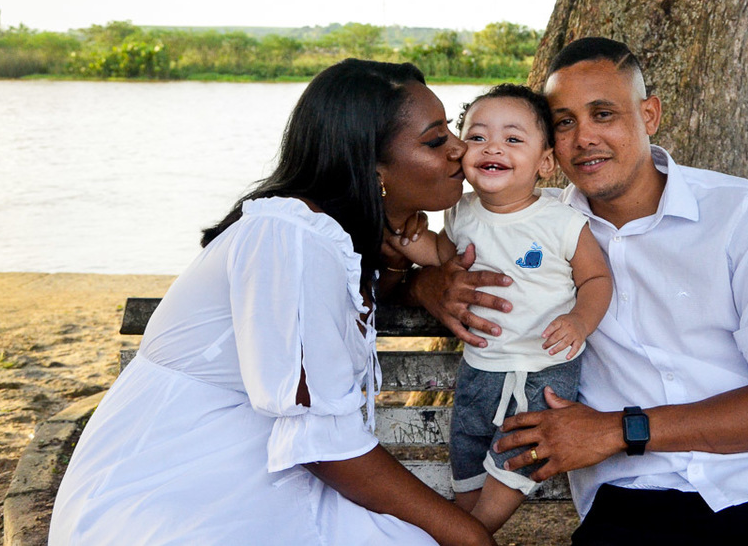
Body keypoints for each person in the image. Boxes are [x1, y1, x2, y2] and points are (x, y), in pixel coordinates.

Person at [408, 39, 748, 545]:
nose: (584, 138)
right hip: (635, 503)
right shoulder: (538, 227)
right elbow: (425, 252)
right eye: (564, 122)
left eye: (604, 113)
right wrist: (423, 283)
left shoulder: (743, 214)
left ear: (649, 115)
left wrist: (617, 430)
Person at [49, 59, 496, 546]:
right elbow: (321, 442)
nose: (460, 148)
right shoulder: (288, 236)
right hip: (172, 487)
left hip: (253, 468)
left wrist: (410, 278)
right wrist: (466, 533)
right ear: (369, 164)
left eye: (451, 129)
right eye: (435, 140)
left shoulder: (330, 234)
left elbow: (335, 313)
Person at [390, 84, 612, 533]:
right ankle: (468, 526)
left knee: (519, 456)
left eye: (513, 139)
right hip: (479, 368)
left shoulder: (561, 222)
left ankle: (469, 535)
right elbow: (448, 260)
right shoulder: (462, 212)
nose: (493, 147)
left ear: (545, 162)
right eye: (477, 137)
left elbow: (596, 279)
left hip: (541, 368)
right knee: (468, 454)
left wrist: (580, 320)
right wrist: (410, 239)